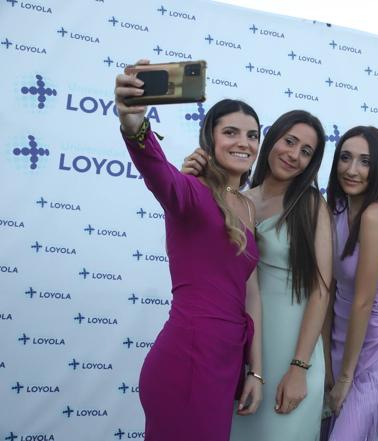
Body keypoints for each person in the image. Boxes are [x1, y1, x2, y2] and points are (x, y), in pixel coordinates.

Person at [115, 61, 263, 441]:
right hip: (187, 360)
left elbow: (250, 296)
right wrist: (133, 123)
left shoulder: (247, 207)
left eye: (252, 135)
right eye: (230, 132)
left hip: (227, 362)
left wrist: (255, 371)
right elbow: (155, 169)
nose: (243, 143)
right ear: (209, 138)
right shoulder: (190, 192)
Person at [182, 110, 332, 440]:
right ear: (271, 139)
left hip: (294, 350)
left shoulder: (311, 205)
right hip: (243, 349)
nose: (294, 155)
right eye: (289, 141)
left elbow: (321, 292)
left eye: (306, 151)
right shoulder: (240, 201)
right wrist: (192, 181)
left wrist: (299, 368)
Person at [323, 126, 378, 441]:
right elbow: (329, 290)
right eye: (345, 158)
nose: (352, 169)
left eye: (364, 161)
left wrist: (345, 377)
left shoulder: (375, 215)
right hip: (342, 343)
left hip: (376, 349)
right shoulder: (336, 210)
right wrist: (331, 361)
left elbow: (363, 300)